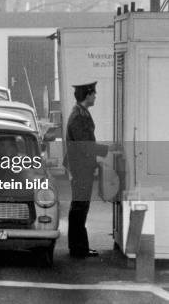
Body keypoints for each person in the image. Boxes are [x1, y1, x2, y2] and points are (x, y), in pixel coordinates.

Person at [64, 82, 118, 258]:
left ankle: (79, 247)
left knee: (80, 206)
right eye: (94, 93)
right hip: (81, 168)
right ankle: (78, 248)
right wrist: (108, 149)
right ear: (87, 95)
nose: (95, 96)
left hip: (81, 167)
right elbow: (85, 145)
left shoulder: (81, 113)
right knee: (80, 207)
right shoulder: (79, 117)